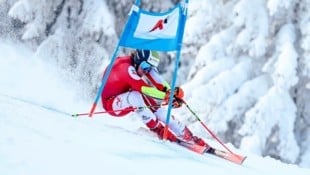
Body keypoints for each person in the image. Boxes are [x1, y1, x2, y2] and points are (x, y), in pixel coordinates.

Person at [101, 49, 209, 147]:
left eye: (149, 68)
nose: (146, 71)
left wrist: (171, 92)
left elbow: (158, 80)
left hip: (126, 95)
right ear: (138, 60)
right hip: (112, 104)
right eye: (145, 67)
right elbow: (145, 88)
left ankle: (188, 135)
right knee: (136, 96)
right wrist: (166, 96)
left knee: (157, 109)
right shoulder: (126, 68)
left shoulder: (141, 65)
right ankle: (159, 131)